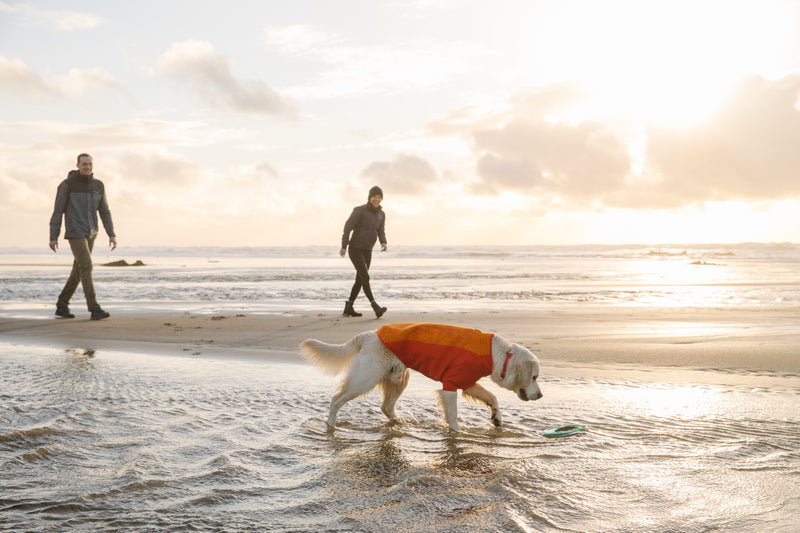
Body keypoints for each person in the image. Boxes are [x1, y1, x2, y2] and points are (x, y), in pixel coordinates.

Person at [49, 153, 117, 320]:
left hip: (92, 232)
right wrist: (53, 236)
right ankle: (94, 309)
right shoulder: (67, 185)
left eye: (90, 164)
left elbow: (105, 211)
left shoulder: (98, 185)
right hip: (75, 232)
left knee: (79, 270)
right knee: (86, 265)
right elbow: (58, 211)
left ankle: (62, 305)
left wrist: (111, 234)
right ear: (77, 165)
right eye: (84, 164)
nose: (87, 167)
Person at [340, 185, 388, 318]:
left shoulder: (381, 214)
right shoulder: (360, 210)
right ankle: (375, 306)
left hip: (368, 250)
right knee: (365, 276)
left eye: (379, 197)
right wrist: (344, 245)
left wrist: (383, 241)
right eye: (374, 197)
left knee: (360, 279)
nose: (376, 199)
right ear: (370, 197)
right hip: (355, 248)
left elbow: (380, 231)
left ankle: (349, 306)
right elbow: (348, 226)